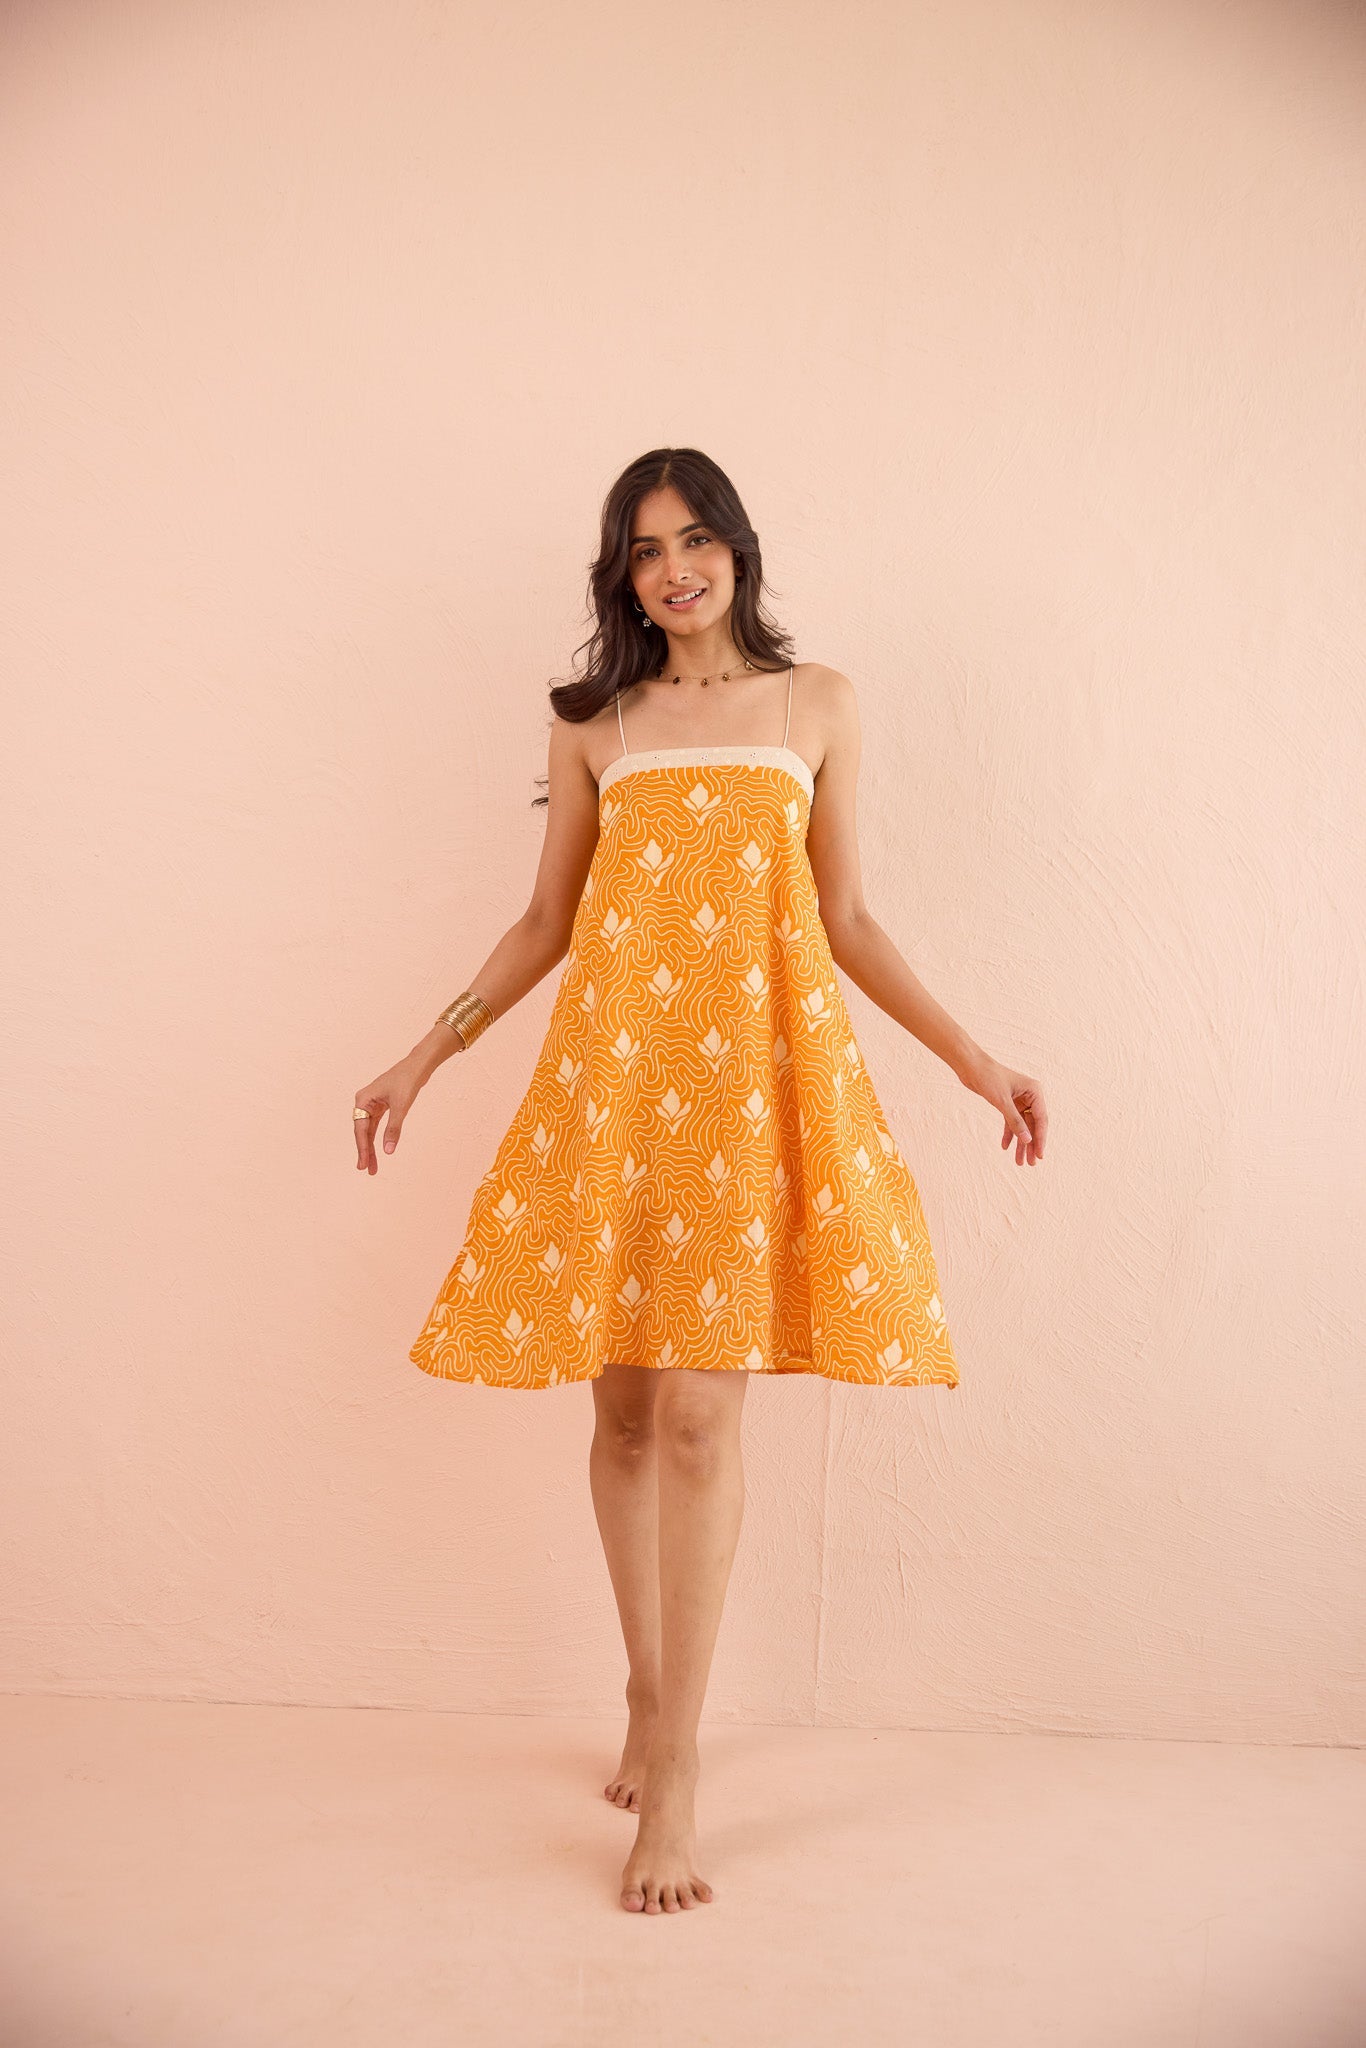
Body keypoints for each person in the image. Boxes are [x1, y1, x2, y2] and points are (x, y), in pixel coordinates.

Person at [353, 447, 1048, 1915]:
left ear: (737, 548)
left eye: (694, 541)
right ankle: (646, 1688)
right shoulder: (594, 724)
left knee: (692, 1414)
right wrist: (422, 1055)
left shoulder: (816, 705)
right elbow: (545, 921)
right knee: (618, 1412)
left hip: (746, 1093)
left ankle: (674, 1776)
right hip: (612, 1089)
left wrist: (976, 1060)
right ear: (623, 576)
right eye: (644, 550)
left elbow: (845, 918)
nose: (673, 569)